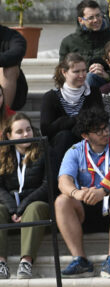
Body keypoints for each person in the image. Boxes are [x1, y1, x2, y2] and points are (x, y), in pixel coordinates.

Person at [55, 108, 110, 278]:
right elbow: (63, 181)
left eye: (106, 128)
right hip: (85, 205)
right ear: (85, 135)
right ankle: (80, 260)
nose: (105, 133)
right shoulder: (75, 151)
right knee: (62, 201)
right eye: (98, 131)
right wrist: (76, 193)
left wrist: (103, 191)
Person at [0, 113, 49, 279]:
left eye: (28, 129)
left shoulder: (43, 150)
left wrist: (22, 206)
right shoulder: (3, 154)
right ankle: (0, 263)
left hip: (36, 202)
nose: (26, 134)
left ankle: (26, 262)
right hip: (11, 205)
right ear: (9, 135)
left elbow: (47, 185)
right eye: (19, 131)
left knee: (34, 208)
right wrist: (13, 208)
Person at [40, 53, 104, 172]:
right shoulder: (50, 97)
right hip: (61, 145)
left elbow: (99, 118)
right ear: (64, 72)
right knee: (64, 135)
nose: (81, 75)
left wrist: (66, 122)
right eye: (76, 71)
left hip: (88, 139)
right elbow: (46, 129)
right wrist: (76, 120)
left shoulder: (93, 92)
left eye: (84, 70)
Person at [59, 0, 110, 89]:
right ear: (81, 20)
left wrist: (106, 75)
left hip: (109, 86)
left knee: (90, 78)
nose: (96, 20)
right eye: (91, 17)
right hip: (77, 87)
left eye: (98, 15)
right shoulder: (68, 42)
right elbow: (61, 73)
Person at [0, 24, 28, 110]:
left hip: (11, 92)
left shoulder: (12, 36)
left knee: (9, 68)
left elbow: (17, 52)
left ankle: (4, 116)